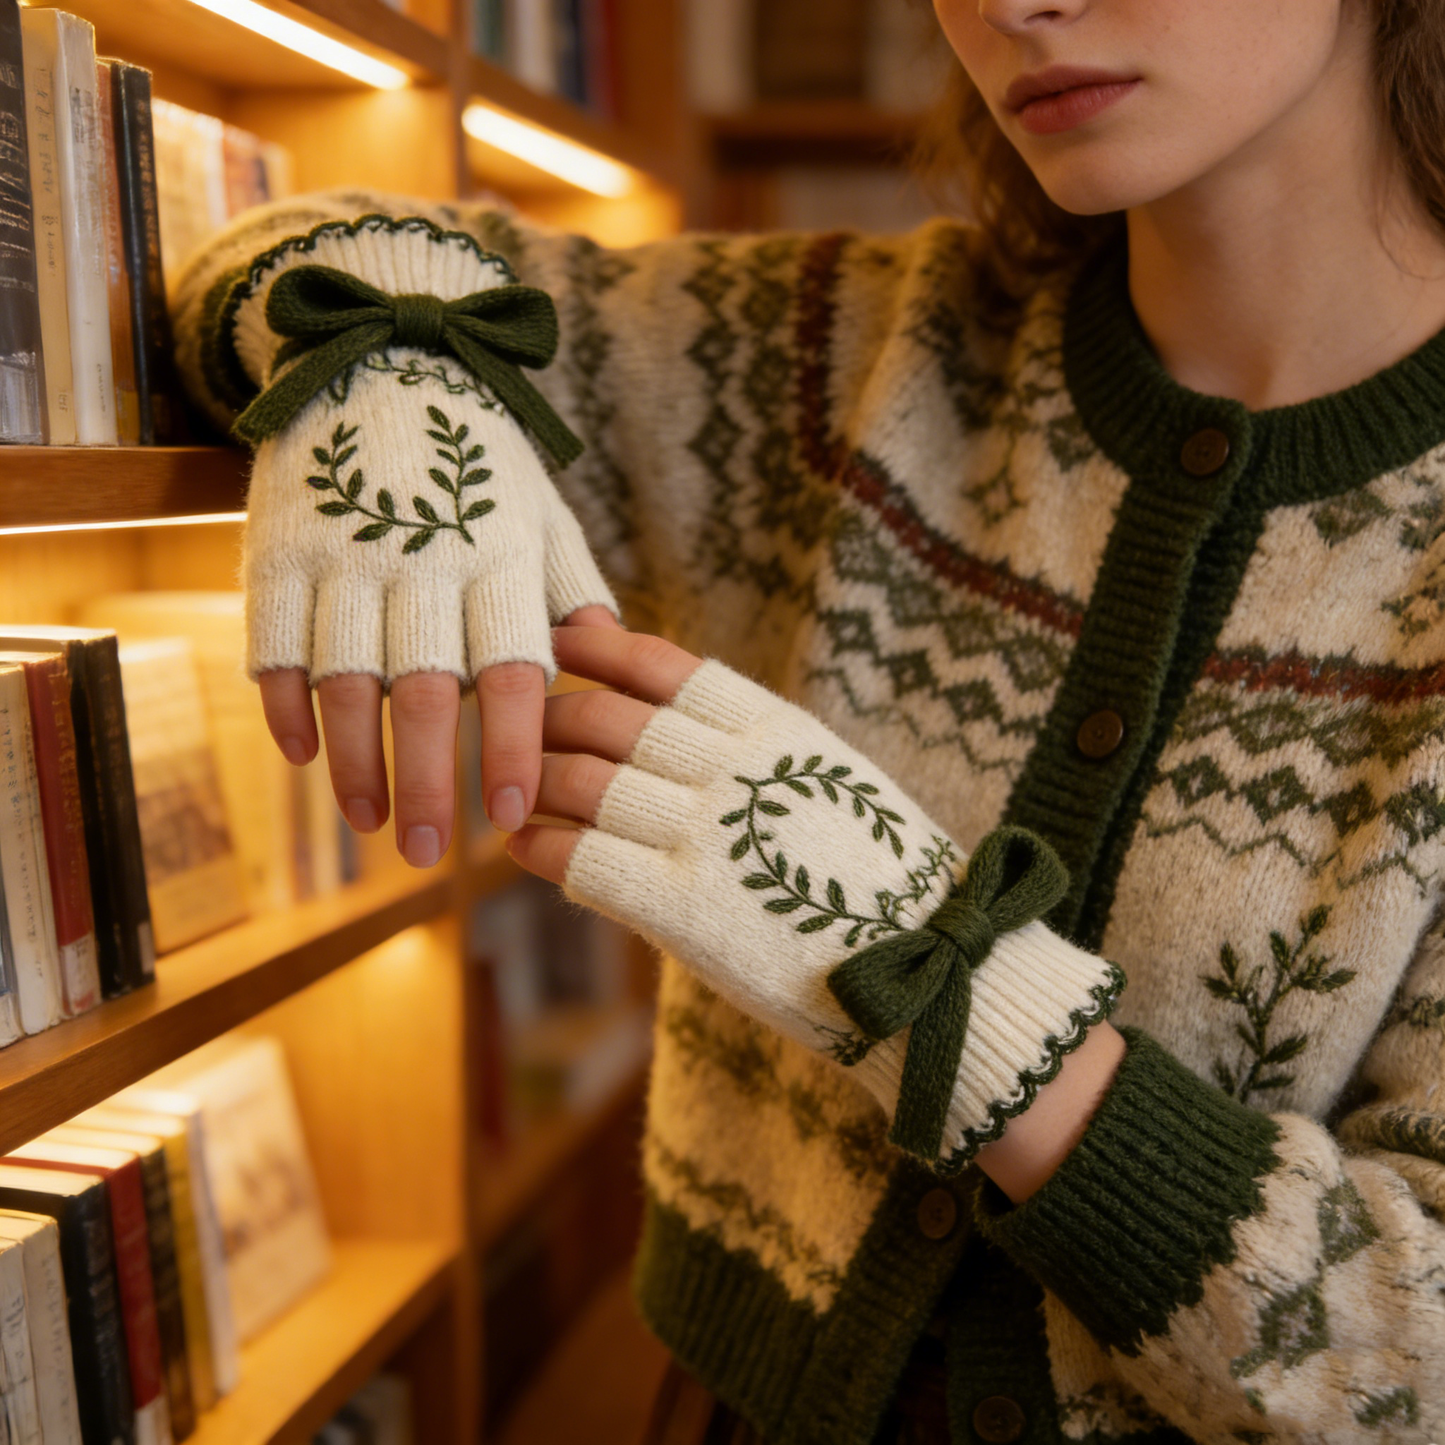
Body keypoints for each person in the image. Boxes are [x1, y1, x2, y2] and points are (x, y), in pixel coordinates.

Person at [172, 0, 1445, 1439]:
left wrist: (918, 973)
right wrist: (391, 375)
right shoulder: (843, 366)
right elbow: (288, 246)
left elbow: (1415, 1359)